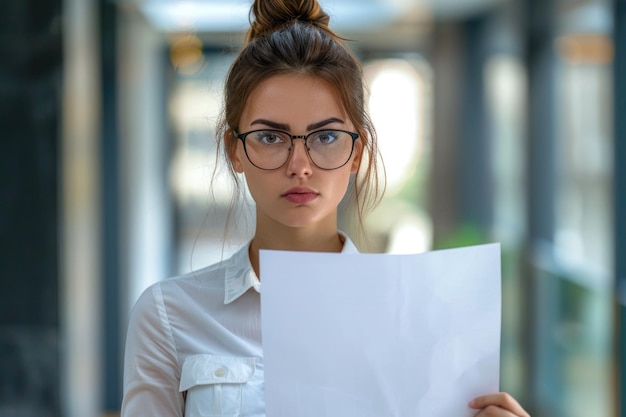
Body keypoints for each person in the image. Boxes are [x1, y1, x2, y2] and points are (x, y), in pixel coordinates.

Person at [121, 0, 530, 416]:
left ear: (357, 153)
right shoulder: (170, 316)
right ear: (235, 152)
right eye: (270, 137)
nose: (300, 166)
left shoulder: (422, 321)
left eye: (327, 137)